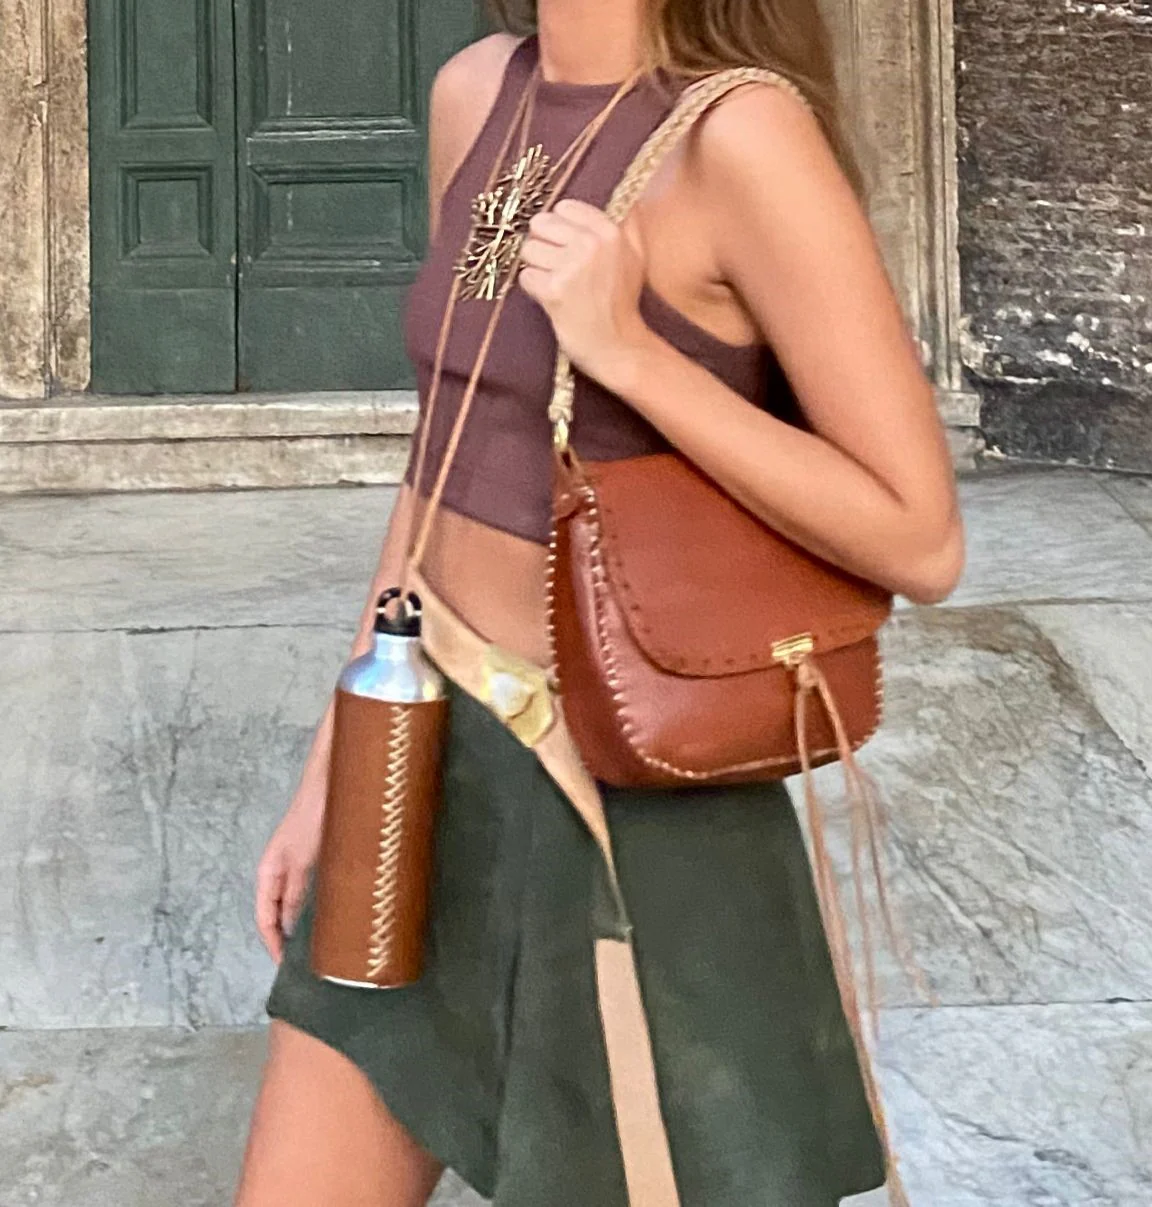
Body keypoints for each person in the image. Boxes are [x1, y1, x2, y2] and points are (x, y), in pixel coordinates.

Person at [234, 2, 965, 1205]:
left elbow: (921, 536)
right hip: (425, 750)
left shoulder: (740, 136)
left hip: (631, 799)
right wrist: (336, 761)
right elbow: (445, 455)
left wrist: (629, 351)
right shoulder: (478, 90)